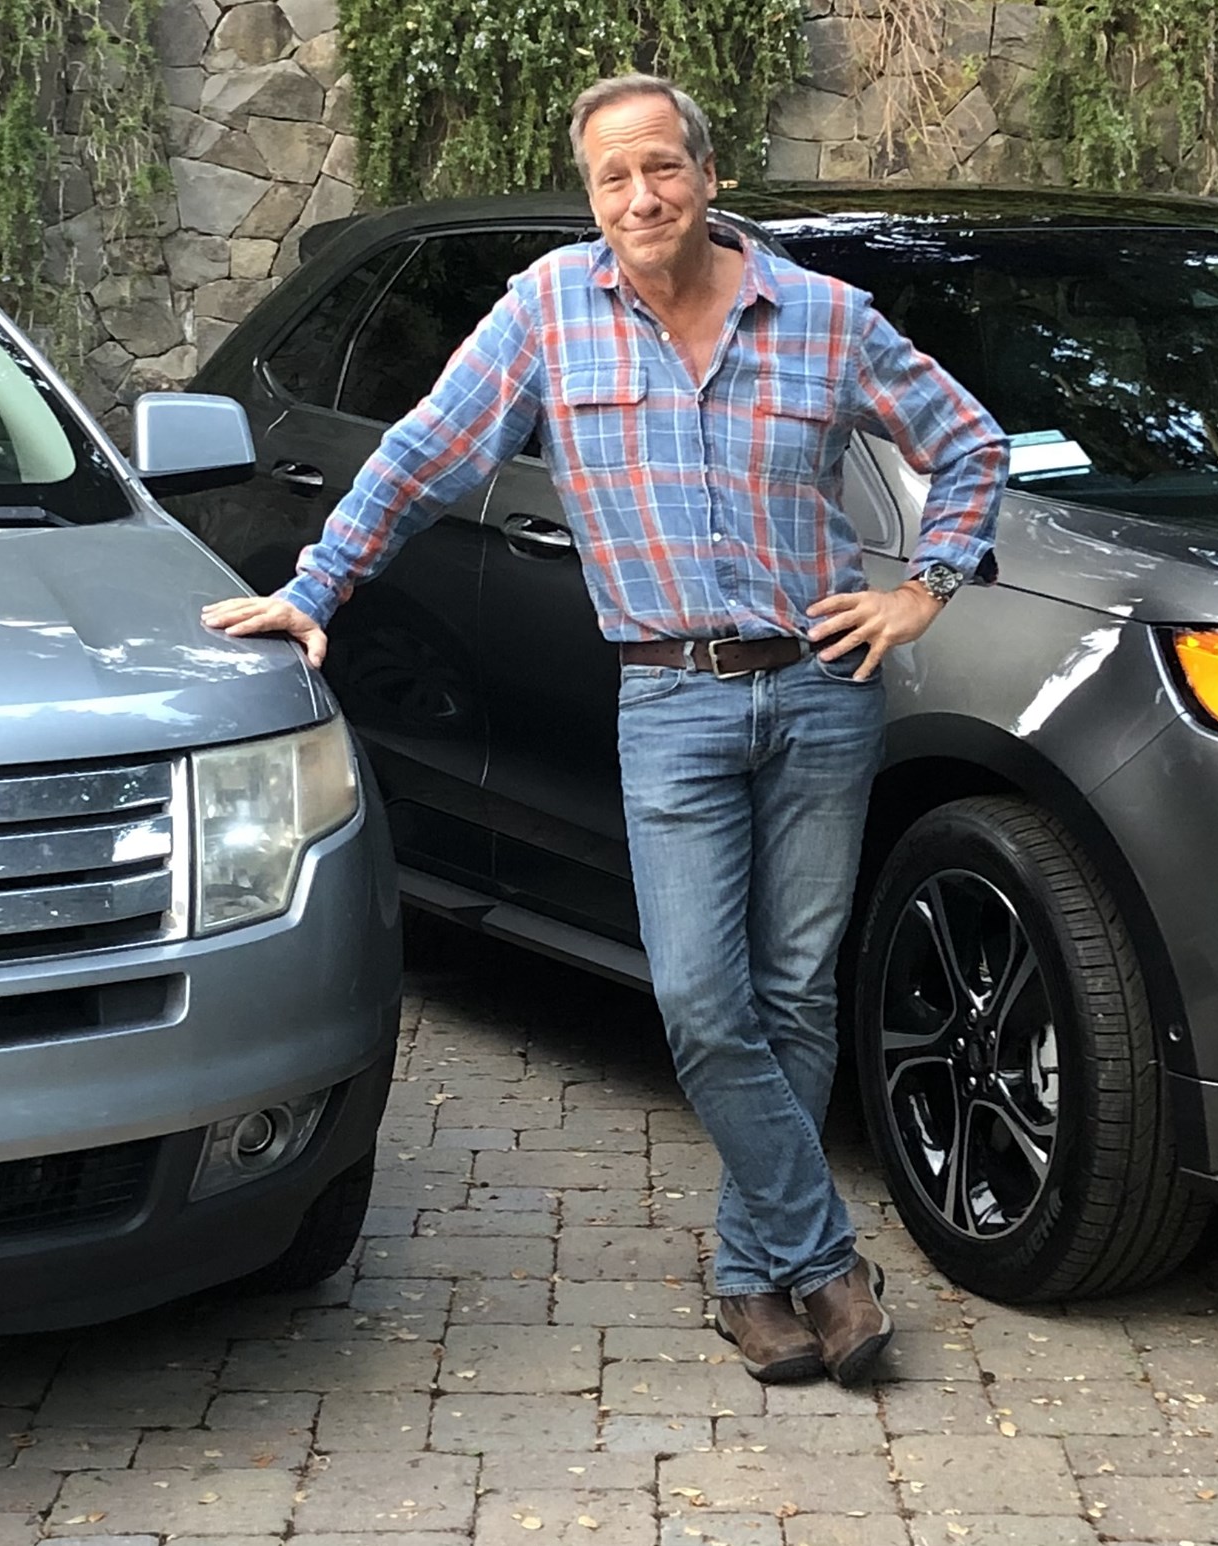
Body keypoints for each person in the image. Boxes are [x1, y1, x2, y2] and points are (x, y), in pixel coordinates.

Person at [201, 73, 1008, 1386]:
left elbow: (969, 443)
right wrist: (315, 588)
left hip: (821, 690)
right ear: (592, 195)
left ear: (707, 175)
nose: (641, 197)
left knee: (795, 990)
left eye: (662, 167)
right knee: (699, 996)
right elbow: (422, 456)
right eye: (613, 177)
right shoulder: (546, 313)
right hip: (671, 698)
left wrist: (925, 586)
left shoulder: (822, 317)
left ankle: (751, 1276)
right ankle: (827, 1257)